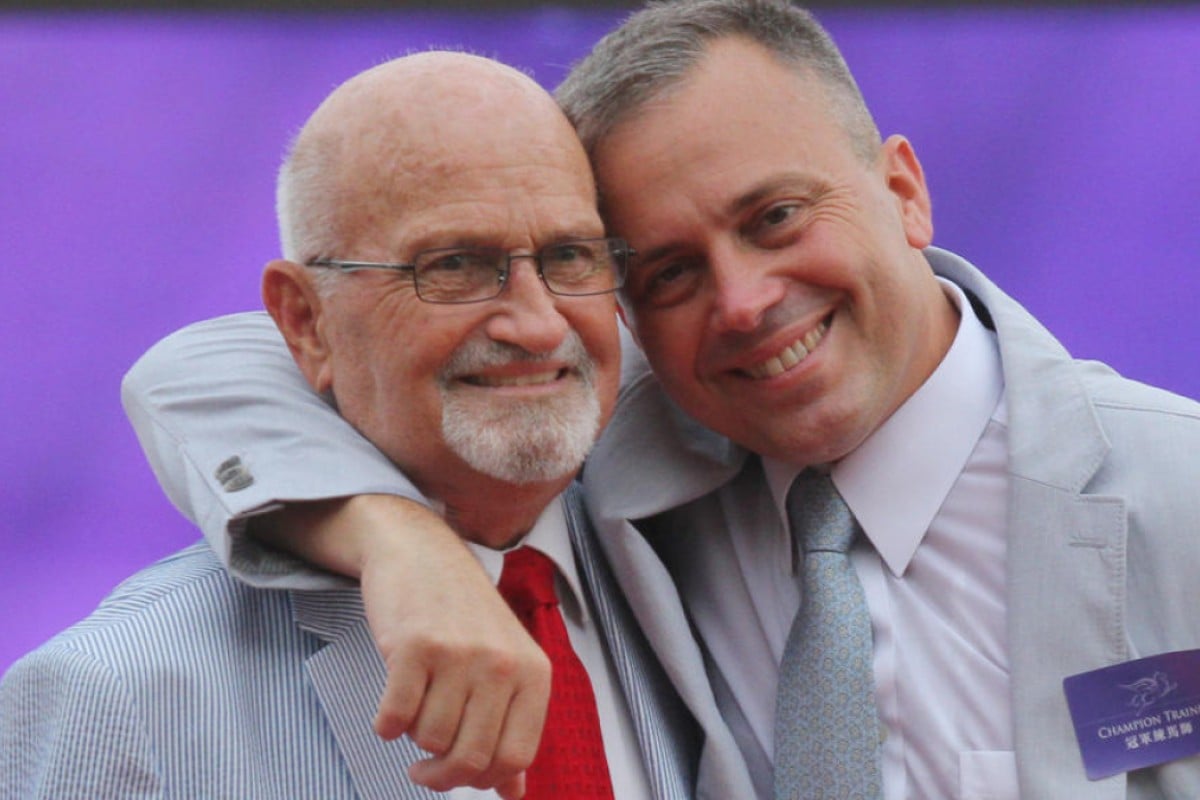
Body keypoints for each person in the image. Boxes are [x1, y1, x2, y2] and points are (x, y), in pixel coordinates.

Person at [118, 1, 1200, 798]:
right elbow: (217, 365)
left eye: (776, 216)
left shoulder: (1175, 490)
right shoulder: (649, 430)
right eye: (667, 272)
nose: (742, 303)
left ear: (905, 191)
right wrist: (403, 541)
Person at [0, 52, 703, 800]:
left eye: (570, 256)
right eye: (456, 265)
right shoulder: (119, 698)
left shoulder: (704, 558)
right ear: (305, 322)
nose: (536, 323)